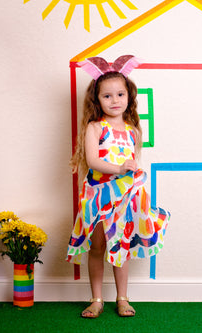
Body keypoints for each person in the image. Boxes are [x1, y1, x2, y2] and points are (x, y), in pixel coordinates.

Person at [66, 55, 170, 318]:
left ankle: (122, 298)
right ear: (97, 100)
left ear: (129, 97)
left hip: (124, 198)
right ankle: (96, 299)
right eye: (107, 96)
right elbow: (93, 161)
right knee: (98, 245)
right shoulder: (94, 127)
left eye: (120, 94)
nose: (115, 101)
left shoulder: (133, 130)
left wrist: (133, 175)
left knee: (120, 244)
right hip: (99, 196)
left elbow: (133, 161)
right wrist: (120, 169)